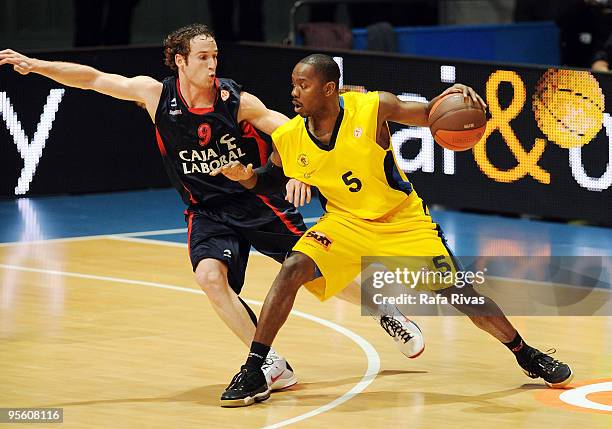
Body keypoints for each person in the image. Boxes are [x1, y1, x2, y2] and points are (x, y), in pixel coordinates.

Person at [0, 25, 423, 394]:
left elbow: (287, 128)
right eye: (203, 56)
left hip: (254, 200)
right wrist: (35, 64)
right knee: (208, 276)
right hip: (206, 211)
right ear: (180, 61)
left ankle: (385, 309)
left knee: (317, 274)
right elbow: (92, 78)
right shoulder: (154, 95)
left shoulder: (234, 99)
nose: (212, 63)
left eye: (215, 55)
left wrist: (302, 172)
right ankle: (269, 364)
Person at [214, 54, 574, 407]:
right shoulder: (291, 135)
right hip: (346, 222)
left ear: (328, 89)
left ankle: (526, 354)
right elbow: (270, 180)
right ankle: (254, 367)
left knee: (459, 292)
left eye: (303, 85)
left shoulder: (373, 109)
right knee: (294, 267)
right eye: (293, 84)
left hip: (401, 220)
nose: (294, 92)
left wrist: (456, 94)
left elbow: (431, 112)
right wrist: (246, 176)